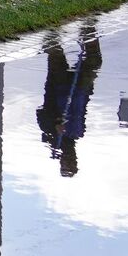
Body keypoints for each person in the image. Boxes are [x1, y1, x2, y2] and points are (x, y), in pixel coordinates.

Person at [36, 35, 103, 177]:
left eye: (68, 162)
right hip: (80, 89)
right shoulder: (78, 133)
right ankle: (89, 31)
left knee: (55, 54)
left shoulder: (52, 139)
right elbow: (82, 110)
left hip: (58, 88)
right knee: (94, 62)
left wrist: (55, 124)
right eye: (73, 161)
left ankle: (51, 33)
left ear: (61, 161)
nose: (70, 158)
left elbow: (41, 114)